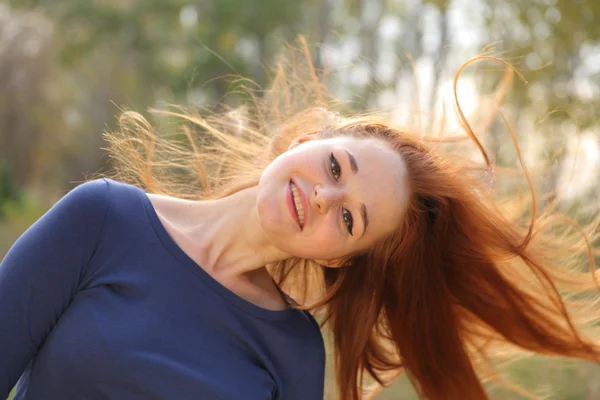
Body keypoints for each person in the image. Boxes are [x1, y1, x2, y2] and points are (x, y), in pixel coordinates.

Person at [1, 45, 600, 400]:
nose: (321, 196)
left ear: (338, 256)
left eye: (347, 218)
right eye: (335, 164)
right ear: (307, 138)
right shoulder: (102, 219)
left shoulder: (291, 354)